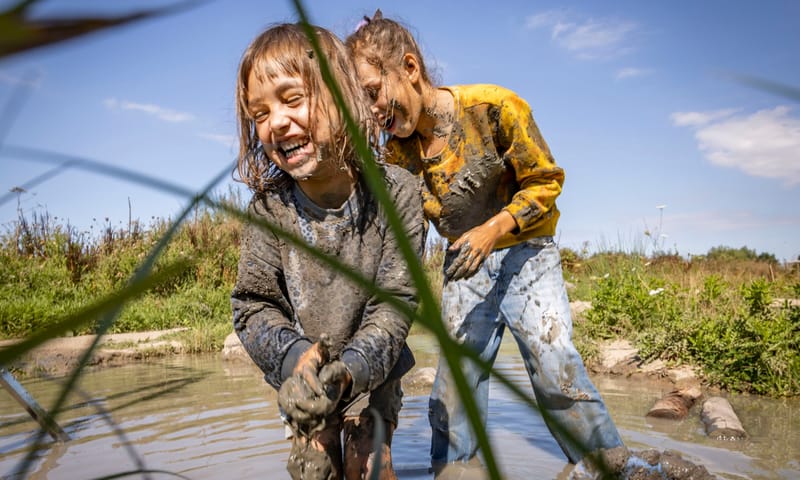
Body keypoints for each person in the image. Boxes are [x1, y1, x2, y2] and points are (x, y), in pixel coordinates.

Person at [347, 13, 625, 476]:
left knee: (553, 365)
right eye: (364, 101)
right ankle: (454, 472)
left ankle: (610, 468)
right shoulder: (396, 152)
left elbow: (546, 184)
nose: (374, 110)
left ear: (410, 68)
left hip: (527, 256)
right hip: (464, 268)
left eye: (374, 92)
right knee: (453, 387)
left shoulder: (494, 108)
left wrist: (493, 229)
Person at [230, 22, 426, 480]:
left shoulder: (397, 195)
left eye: (292, 99)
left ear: (346, 98)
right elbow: (253, 306)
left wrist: (351, 371)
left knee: (368, 467)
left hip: (373, 373)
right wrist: (295, 360)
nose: (275, 122)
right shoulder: (269, 209)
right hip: (304, 381)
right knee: (315, 471)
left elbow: (394, 304)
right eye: (259, 114)